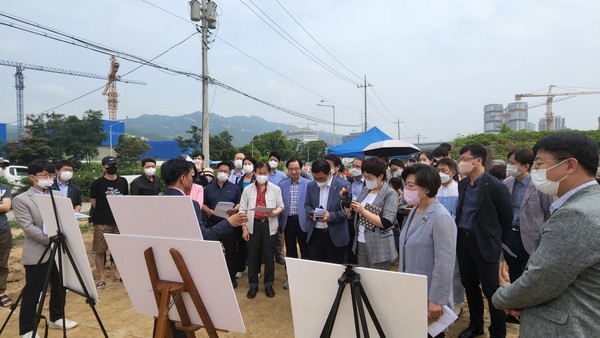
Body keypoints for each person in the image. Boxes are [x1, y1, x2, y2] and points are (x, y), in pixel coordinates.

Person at [492, 132, 600, 337]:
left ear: (570, 165)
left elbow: (540, 282)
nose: (536, 172)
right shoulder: (592, 202)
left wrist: (502, 298)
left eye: (540, 164)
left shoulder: (575, 215)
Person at [158, 157, 248, 338]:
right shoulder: (189, 204)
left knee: (168, 314)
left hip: (163, 268)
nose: (193, 179)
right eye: (191, 175)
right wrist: (229, 223)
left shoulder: (157, 201)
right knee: (187, 314)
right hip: (185, 266)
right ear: (183, 178)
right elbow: (203, 237)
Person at [13, 160, 78, 337]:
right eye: (43, 176)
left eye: (50, 175)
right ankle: (27, 329)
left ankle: (57, 317)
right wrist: (50, 239)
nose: (48, 179)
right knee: (33, 292)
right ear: (32, 177)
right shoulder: (21, 199)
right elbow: (28, 227)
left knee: (59, 286)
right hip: (38, 251)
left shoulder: (56, 194)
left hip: (59, 250)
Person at [455, 144, 513, 338]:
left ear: (478, 160)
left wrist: (499, 247)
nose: (460, 163)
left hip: (486, 244)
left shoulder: (495, 186)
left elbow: (506, 219)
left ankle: (497, 331)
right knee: (469, 286)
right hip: (463, 241)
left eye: (464, 158)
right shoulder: (462, 184)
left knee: (491, 290)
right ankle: (476, 325)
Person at [398, 164, 456, 338]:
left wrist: (436, 300)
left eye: (411, 186)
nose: (406, 189)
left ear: (427, 189)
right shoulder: (415, 210)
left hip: (429, 297)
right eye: (405, 184)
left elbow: (445, 263)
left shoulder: (441, 217)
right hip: (411, 291)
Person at [503, 149, 553, 283]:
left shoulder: (541, 185)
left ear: (525, 166)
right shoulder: (507, 183)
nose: (509, 166)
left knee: (530, 272)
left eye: (513, 163)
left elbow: (549, 212)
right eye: (508, 163)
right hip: (510, 234)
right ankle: (517, 302)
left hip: (532, 236)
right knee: (513, 270)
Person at [240, 161, 284, 299]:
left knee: (269, 257)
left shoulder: (275, 189)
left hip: (268, 225)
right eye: (259, 173)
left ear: (269, 174)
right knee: (253, 257)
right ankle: (253, 285)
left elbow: (280, 205)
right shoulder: (247, 190)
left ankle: (268, 285)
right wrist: (244, 229)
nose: (262, 176)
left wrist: (274, 213)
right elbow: (242, 210)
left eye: (265, 173)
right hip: (253, 225)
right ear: (254, 173)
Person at [348, 157, 398, 270]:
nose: (367, 180)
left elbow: (387, 222)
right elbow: (357, 213)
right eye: (365, 177)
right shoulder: (366, 190)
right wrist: (351, 208)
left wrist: (363, 211)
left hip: (379, 244)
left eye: (369, 177)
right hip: (361, 240)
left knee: (378, 280)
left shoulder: (390, 193)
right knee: (364, 278)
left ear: (380, 176)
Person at [89, 156, 129, 289]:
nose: (112, 167)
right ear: (103, 167)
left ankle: (118, 273)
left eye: (115, 164)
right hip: (102, 222)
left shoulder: (123, 181)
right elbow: (94, 203)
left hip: (119, 221)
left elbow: (125, 199)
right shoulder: (97, 184)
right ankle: (101, 277)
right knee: (100, 250)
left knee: (119, 249)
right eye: (109, 165)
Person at [202, 161, 242, 287]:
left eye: (225, 172)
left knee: (231, 251)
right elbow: (202, 203)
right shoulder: (208, 188)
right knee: (212, 252)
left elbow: (240, 203)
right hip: (212, 224)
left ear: (229, 174)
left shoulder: (234, 188)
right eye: (220, 171)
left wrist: (234, 210)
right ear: (216, 171)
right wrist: (207, 210)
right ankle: (212, 276)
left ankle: (231, 277)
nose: (222, 173)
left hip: (229, 224)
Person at [305, 160, 351, 264]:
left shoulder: (343, 185)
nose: (318, 181)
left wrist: (330, 216)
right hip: (315, 234)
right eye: (315, 178)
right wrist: (313, 214)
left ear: (329, 173)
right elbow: (307, 204)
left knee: (335, 269)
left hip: (335, 235)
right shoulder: (311, 185)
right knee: (317, 267)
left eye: (321, 178)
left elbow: (347, 211)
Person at [435, 157, 463, 315]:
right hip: (437, 234)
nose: (440, 173)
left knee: (456, 270)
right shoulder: (434, 189)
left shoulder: (459, 189)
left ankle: (457, 301)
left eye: (443, 171)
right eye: (438, 170)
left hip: (455, 235)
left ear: (452, 173)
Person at [278, 158, 310, 289]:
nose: (294, 171)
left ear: (301, 169)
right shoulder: (282, 184)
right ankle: (290, 278)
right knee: (290, 251)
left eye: (296, 168)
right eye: (291, 168)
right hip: (289, 221)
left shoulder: (309, 184)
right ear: (287, 170)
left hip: (304, 221)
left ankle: (306, 278)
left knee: (305, 250)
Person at [0, 181, 12, 308]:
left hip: (2, 231)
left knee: (2, 262)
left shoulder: (4, 188)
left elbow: (6, 207)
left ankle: (1, 292)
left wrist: (2, 206)